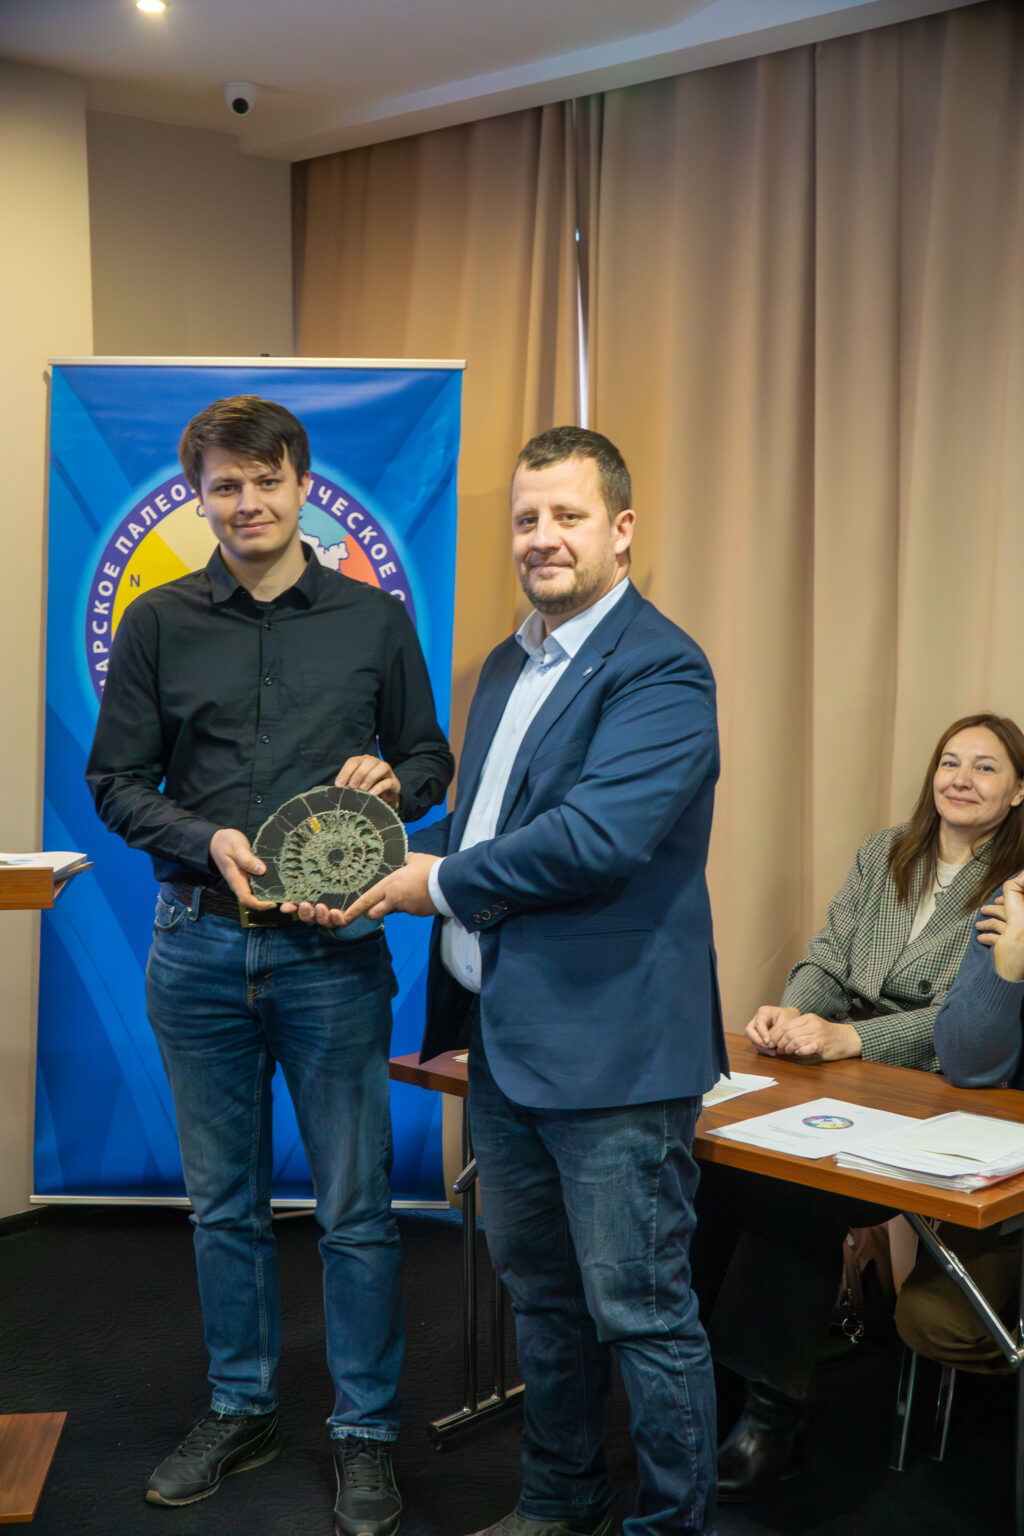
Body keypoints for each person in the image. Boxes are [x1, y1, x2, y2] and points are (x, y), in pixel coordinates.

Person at [337, 425, 726, 1536]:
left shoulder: (662, 667)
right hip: (504, 1043)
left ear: (622, 529)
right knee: (542, 1303)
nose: (542, 537)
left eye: (566, 515)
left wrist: (431, 883)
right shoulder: (510, 664)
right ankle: (559, 1500)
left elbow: (597, 839)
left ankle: (671, 1526)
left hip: (614, 1057)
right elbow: (488, 826)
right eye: (525, 518)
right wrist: (373, 858)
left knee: (641, 1312)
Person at [85, 395, 454, 1533]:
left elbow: (429, 759)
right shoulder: (155, 623)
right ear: (199, 498)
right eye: (224, 486)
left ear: (302, 484)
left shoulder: (372, 619)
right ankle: (241, 1409)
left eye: (265, 480)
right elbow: (114, 784)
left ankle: (366, 1433)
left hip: (332, 957)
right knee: (224, 1208)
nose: (246, 502)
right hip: (196, 949)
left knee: (355, 1211)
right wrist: (205, 838)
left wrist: (398, 782)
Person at [701, 712, 1024, 1501]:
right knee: (717, 1173)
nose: (961, 779)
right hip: (839, 1070)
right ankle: (708, 1388)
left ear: (1019, 792)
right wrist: (793, 1013)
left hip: (943, 1088)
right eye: (950, 762)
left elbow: (962, 1024)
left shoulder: (1014, 887)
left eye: (985, 768)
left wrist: (850, 1037)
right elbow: (827, 955)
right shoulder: (885, 852)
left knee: (796, 1195)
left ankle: (771, 1418)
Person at [894, 868, 1024, 1369]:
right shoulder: (1011, 901)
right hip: (1012, 1185)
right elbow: (966, 1064)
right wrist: (1009, 965)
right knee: (933, 1318)